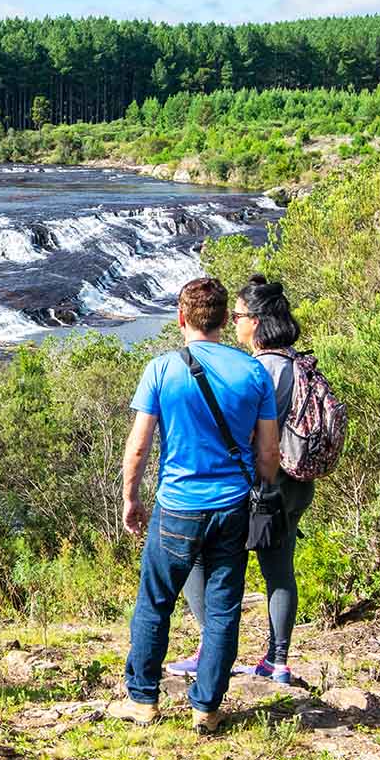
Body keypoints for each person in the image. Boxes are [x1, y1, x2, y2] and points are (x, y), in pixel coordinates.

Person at [116, 277, 281, 734]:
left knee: (155, 602)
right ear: (227, 320)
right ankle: (206, 707)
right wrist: (263, 494)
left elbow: (139, 447)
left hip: (177, 505)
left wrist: (132, 498)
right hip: (232, 507)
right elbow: (268, 452)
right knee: (224, 606)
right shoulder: (253, 373)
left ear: (181, 317)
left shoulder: (162, 369)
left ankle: (143, 700)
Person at [166, 275, 310, 685]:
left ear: (258, 321)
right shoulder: (296, 361)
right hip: (296, 482)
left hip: (262, 484)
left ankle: (212, 648)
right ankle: (277, 661)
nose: (233, 322)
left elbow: (254, 436)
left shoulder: (260, 367)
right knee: (278, 570)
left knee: (198, 556)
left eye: (240, 315)